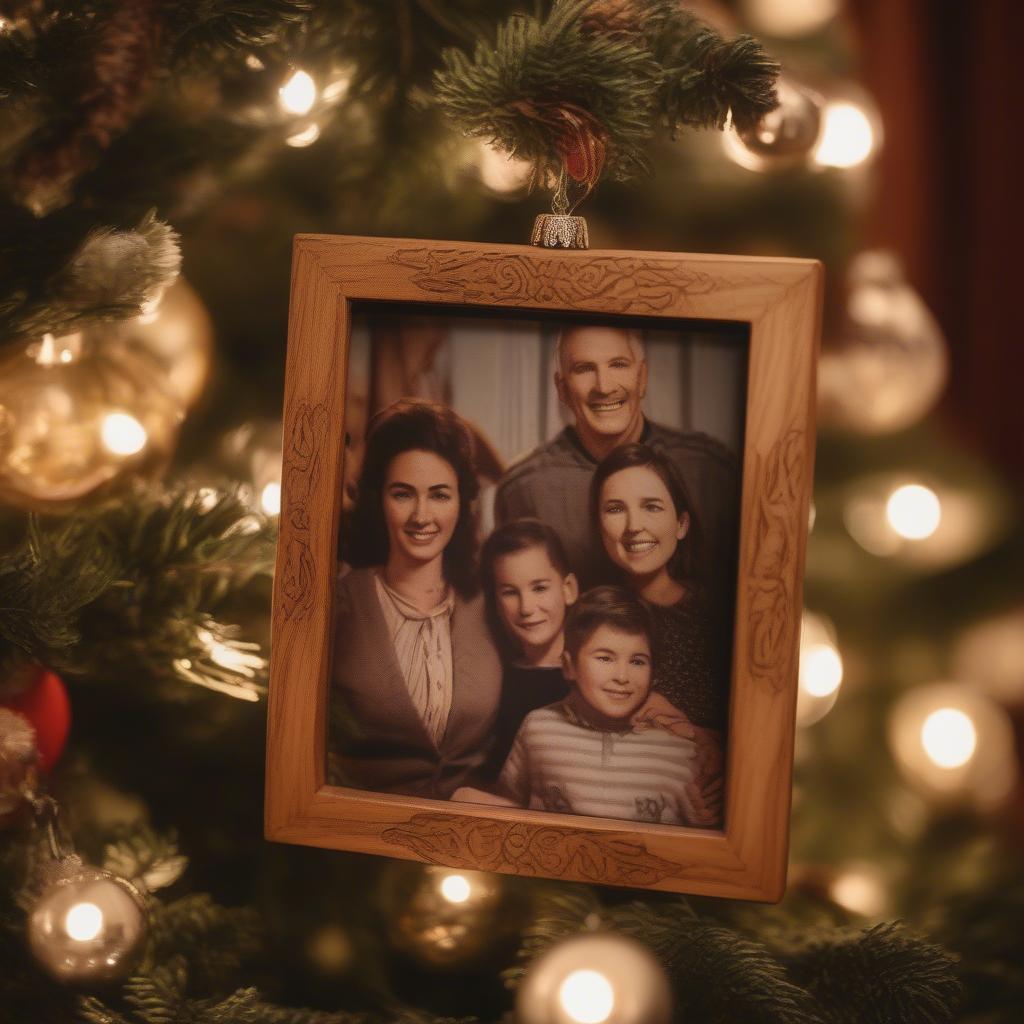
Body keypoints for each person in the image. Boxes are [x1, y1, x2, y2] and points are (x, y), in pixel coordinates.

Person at [329, 398, 501, 800]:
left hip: (472, 846)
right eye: (403, 494)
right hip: (358, 845)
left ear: (462, 501)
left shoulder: (492, 602)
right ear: (379, 500)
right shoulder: (340, 602)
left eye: (440, 495)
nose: (421, 516)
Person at [494, 324, 739, 588]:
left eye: (618, 364)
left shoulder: (710, 470)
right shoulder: (525, 490)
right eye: (584, 369)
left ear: (642, 377)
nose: (604, 386)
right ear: (562, 388)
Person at [494, 586, 713, 827]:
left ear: (654, 675)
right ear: (569, 666)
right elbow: (507, 808)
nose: (622, 676)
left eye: (637, 661)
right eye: (605, 658)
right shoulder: (538, 728)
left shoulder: (680, 752)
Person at [592, 442, 728, 736]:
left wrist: (700, 737)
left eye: (651, 507)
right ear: (599, 527)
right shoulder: (589, 618)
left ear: (681, 524)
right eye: (615, 509)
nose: (633, 526)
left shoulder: (720, 614)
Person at [475, 519, 578, 781]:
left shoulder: (593, 674)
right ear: (496, 603)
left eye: (540, 588)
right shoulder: (499, 679)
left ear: (568, 589)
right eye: (510, 592)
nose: (526, 607)